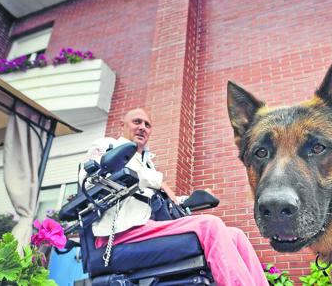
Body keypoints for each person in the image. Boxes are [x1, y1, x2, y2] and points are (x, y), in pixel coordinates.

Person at [79, 108, 268, 286]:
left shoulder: (146, 163)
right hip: (120, 233)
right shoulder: (107, 146)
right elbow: (89, 181)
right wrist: (159, 181)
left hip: (147, 227)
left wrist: (188, 199)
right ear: (123, 124)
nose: (142, 127)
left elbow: (162, 198)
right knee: (210, 225)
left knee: (236, 235)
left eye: (147, 124)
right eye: (137, 121)